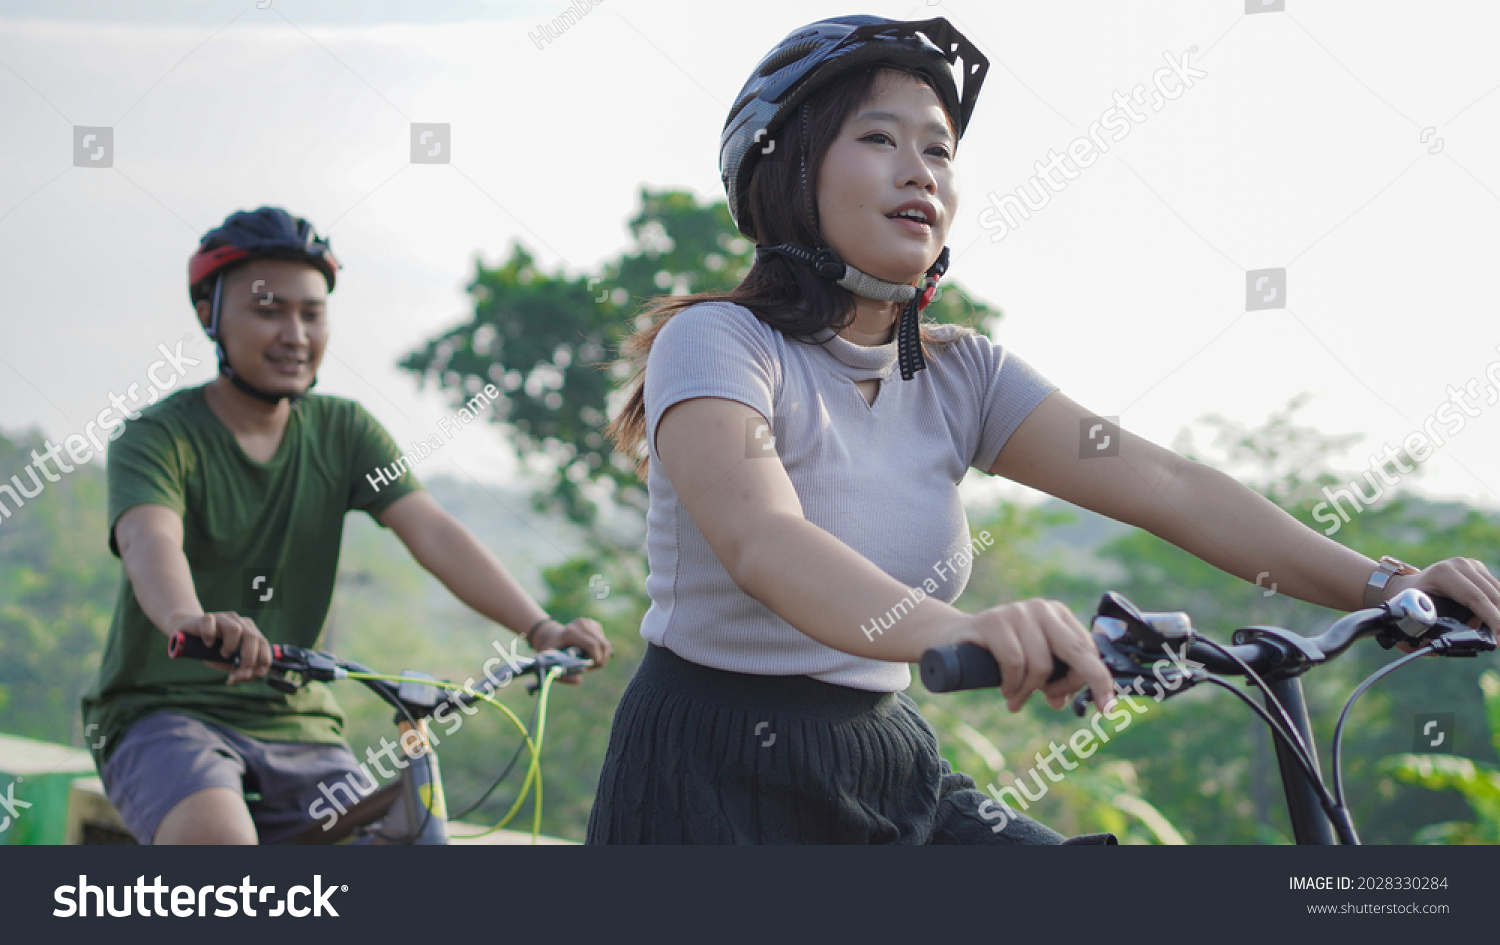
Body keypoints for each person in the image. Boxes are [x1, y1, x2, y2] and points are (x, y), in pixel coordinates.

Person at [585, 15, 1500, 844]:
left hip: (886, 760)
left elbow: (1165, 484)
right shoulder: (718, 344)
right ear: (785, 171)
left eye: (939, 152)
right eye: (878, 139)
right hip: (711, 777)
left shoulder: (957, 372)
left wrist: (1388, 584)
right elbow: (764, 539)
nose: (921, 172)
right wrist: (968, 624)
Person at [82, 206, 612, 845]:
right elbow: (150, 537)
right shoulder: (157, 438)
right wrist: (188, 620)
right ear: (208, 316)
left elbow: (433, 531)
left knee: (397, 835)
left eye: (311, 313)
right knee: (216, 844)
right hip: (164, 715)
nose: (295, 334)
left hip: (299, 724)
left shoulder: (344, 431)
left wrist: (540, 627)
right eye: (268, 310)